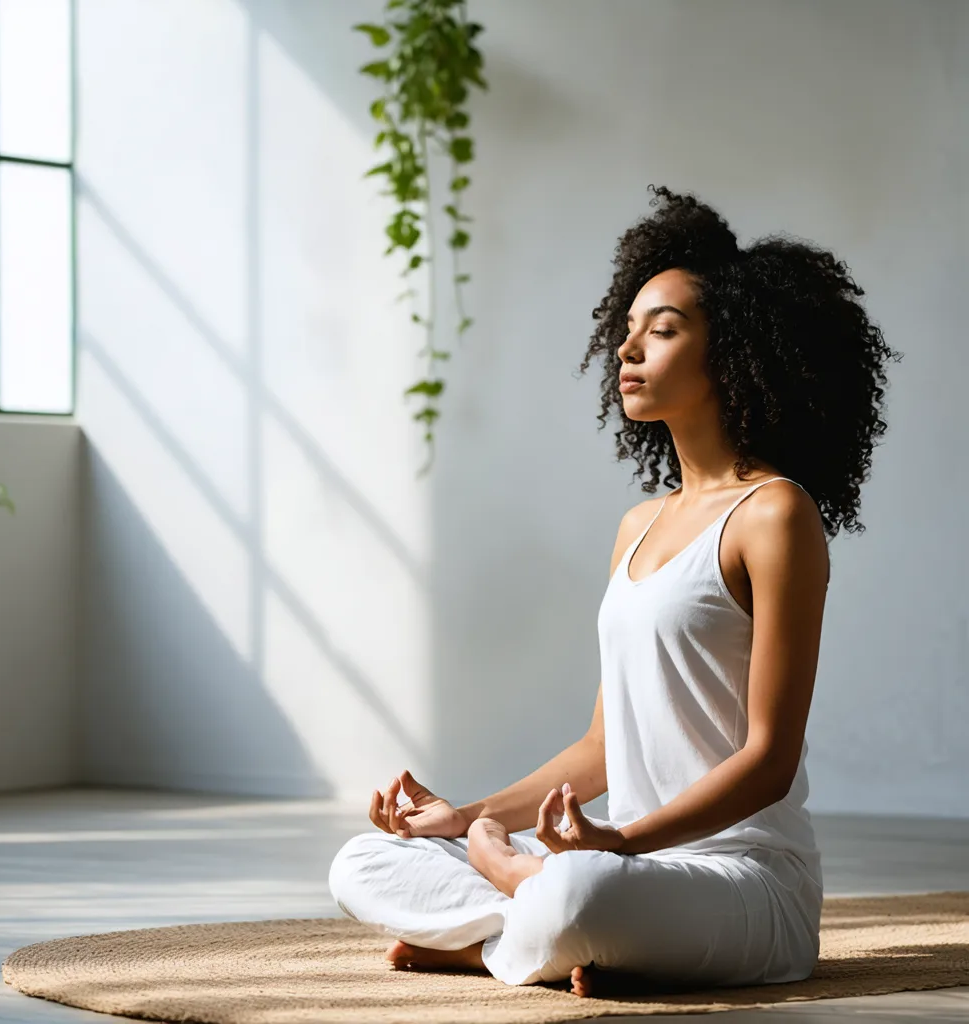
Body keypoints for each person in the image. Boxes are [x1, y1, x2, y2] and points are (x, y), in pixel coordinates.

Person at [327, 184, 902, 997]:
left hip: (738, 881)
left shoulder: (776, 514)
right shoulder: (637, 526)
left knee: (583, 891)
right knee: (363, 862)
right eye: (627, 330)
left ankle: (511, 923)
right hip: (619, 863)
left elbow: (769, 760)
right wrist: (466, 818)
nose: (627, 350)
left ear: (732, 352)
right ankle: (540, 928)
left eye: (661, 331)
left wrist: (618, 846)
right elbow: (601, 749)